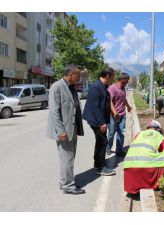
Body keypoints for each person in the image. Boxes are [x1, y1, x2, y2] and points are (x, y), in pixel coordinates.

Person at [47, 65, 85, 195]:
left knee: (69, 157)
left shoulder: (71, 87)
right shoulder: (57, 87)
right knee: (67, 158)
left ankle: (65, 182)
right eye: (77, 75)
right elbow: (54, 111)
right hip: (64, 130)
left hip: (72, 127)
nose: (79, 78)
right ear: (70, 74)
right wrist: (61, 131)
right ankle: (68, 186)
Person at [123, 120, 164, 195]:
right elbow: (163, 152)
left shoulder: (139, 134)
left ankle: (136, 188)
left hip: (129, 169)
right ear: (158, 129)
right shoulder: (159, 135)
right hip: (145, 170)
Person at [82, 68, 116, 176]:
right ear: (107, 76)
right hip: (96, 119)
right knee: (102, 142)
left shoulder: (103, 87)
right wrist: (102, 123)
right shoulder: (96, 87)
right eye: (112, 77)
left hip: (99, 119)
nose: (113, 80)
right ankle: (101, 167)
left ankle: (98, 163)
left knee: (100, 141)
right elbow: (95, 106)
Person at [107, 72, 132, 157]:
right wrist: (115, 113)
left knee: (121, 132)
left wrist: (128, 107)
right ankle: (108, 148)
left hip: (122, 114)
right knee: (111, 132)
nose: (128, 82)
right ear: (122, 80)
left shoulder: (123, 88)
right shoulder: (112, 88)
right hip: (113, 115)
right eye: (127, 80)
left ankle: (119, 151)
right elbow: (109, 102)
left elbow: (123, 98)